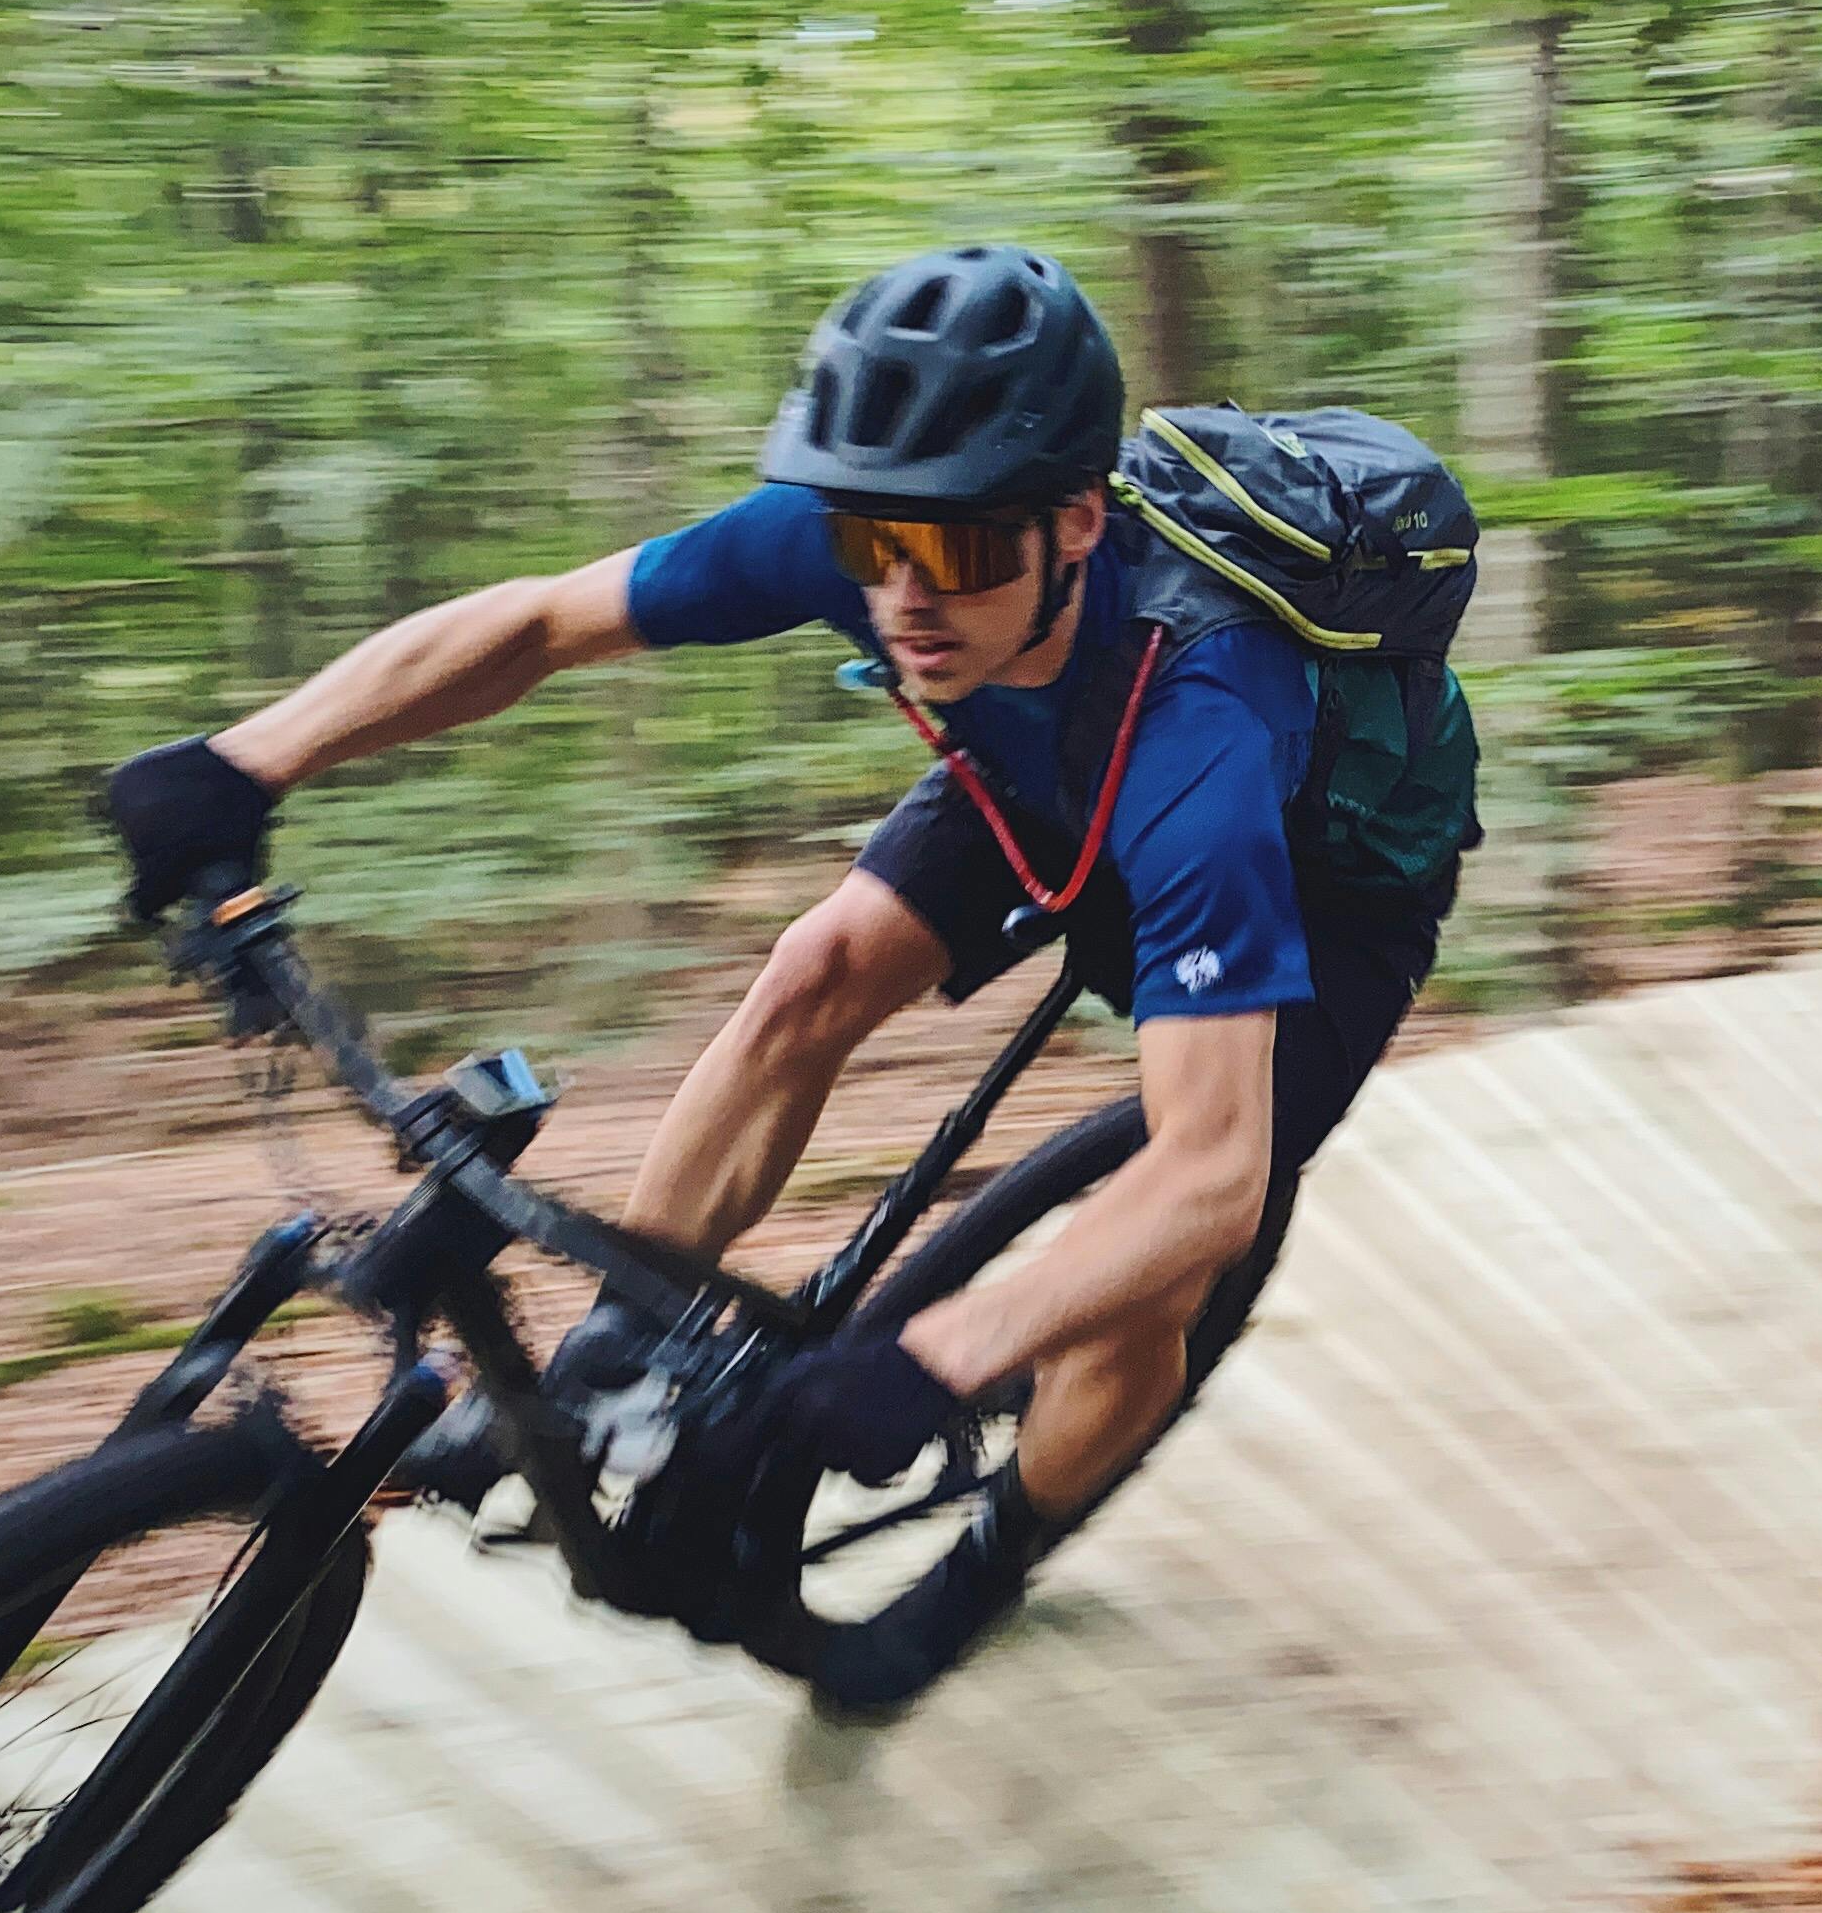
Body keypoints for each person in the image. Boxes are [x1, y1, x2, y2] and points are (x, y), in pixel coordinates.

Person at [102, 243, 1459, 1718]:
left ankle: (992, 1555)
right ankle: (627, 1356)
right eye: (876, 542)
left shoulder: (1205, 735)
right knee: (815, 966)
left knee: (1149, 1279)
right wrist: (250, 757)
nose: (903, 597)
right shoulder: (888, 554)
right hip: (1043, 771)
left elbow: (1209, 1176)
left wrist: (934, 1362)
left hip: (1320, 892)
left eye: (950, 553)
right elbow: (546, 622)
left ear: (1078, 519)